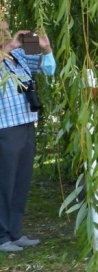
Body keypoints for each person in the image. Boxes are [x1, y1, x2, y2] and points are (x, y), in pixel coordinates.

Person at [0, 20, 56, 253]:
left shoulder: (19, 56)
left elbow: (48, 69)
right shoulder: (6, 56)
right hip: (5, 128)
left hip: (25, 124)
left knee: (21, 180)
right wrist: (5, 50)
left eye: (6, 29)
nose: (6, 33)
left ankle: (14, 231)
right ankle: (2, 237)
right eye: (1, 31)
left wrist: (45, 48)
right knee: (4, 182)